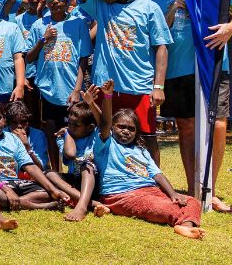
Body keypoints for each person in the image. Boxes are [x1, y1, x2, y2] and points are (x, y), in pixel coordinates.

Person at [130, 0, 232, 214]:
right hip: (176, 69)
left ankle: (211, 190)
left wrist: (231, 27)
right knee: (186, 126)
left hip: (211, 63)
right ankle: (196, 189)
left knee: (218, 124)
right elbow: (155, 32)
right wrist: (175, 6)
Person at [69, 0, 172, 163]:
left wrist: (158, 86)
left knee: (147, 137)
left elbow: (162, 48)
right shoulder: (101, 6)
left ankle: (151, 184)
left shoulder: (149, 8)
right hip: (105, 88)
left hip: (139, 87)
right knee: (105, 135)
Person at [88, 81, 206, 239]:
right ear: (113, 127)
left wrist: (173, 194)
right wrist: (108, 96)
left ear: (136, 133)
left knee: (192, 201)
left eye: (131, 129)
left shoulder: (141, 151)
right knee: (164, 208)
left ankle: (186, 226)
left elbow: (157, 174)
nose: (126, 131)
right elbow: (104, 123)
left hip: (150, 191)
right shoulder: (107, 144)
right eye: (121, 126)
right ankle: (184, 225)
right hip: (122, 194)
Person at [25, 0, 92, 170]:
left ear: (67, 1)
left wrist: (77, 89)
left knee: (76, 131)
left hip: (71, 90)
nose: (55, 4)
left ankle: (76, 171)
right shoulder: (39, 25)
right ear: (45, 1)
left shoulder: (78, 24)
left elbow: (83, 59)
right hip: (48, 91)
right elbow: (29, 57)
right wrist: (42, 39)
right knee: (51, 133)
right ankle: (56, 173)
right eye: (50, 0)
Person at [0, 99, 69, 213]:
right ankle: (40, 206)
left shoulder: (13, 138)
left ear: (4, 119)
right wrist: (6, 189)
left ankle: (15, 202)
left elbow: (30, 166)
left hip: (14, 182)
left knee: (47, 192)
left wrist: (53, 190)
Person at [46, 100, 107, 222]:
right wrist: (67, 134)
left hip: (92, 182)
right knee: (48, 173)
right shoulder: (63, 137)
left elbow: (104, 122)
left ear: (90, 128)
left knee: (87, 166)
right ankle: (90, 202)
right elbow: (70, 153)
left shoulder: (95, 136)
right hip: (74, 183)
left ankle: (82, 206)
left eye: (76, 125)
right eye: (69, 123)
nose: (70, 127)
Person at [5, 100, 50, 173]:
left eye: (23, 122)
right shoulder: (4, 134)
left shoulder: (38, 135)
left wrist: (27, 146)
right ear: (9, 123)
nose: (19, 126)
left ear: (28, 121)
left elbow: (41, 167)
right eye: (14, 122)